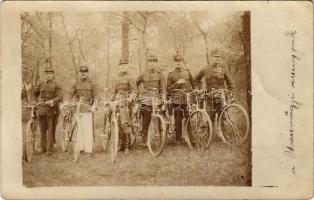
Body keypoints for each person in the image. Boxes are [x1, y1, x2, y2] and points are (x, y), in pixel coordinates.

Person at [194, 48, 235, 119]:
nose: (218, 59)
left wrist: (232, 92)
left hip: (221, 97)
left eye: (219, 57)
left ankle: (223, 130)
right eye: (216, 57)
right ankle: (209, 129)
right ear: (211, 58)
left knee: (223, 119)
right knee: (209, 120)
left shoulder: (223, 68)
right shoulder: (205, 68)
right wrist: (199, 89)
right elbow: (196, 79)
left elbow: (230, 82)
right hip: (209, 98)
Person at [136, 55, 166, 147]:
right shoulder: (143, 74)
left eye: (154, 61)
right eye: (150, 62)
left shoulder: (160, 75)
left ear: (156, 63)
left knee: (159, 117)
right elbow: (135, 84)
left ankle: (159, 137)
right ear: (148, 63)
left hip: (157, 99)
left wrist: (163, 98)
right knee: (146, 119)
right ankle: (145, 140)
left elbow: (163, 88)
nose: (152, 63)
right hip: (146, 99)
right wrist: (138, 93)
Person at [67, 65, 97, 156]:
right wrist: (67, 102)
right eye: (82, 72)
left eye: (85, 72)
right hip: (78, 108)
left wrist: (94, 105)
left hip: (87, 108)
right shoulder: (76, 83)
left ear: (88, 73)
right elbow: (70, 93)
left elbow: (96, 97)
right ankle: (81, 147)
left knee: (87, 129)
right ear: (80, 73)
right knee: (79, 128)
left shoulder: (92, 84)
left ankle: (88, 150)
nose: (83, 74)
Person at [33, 67, 62, 156]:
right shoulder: (41, 84)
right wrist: (34, 101)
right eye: (47, 73)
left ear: (53, 75)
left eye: (50, 73)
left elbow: (60, 97)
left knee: (50, 130)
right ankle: (43, 148)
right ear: (45, 75)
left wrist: (52, 101)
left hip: (52, 110)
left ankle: (49, 149)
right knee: (42, 130)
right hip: (42, 109)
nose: (48, 75)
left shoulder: (57, 85)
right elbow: (35, 93)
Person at [167, 54, 195, 145]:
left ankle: (191, 139)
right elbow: (168, 89)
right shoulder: (171, 74)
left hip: (187, 99)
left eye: (180, 61)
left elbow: (193, 85)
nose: (178, 63)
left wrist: (193, 96)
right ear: (174, 63)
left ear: (182, 62)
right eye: (176, 61)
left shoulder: (187, 72)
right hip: (177, 100)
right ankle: (178, 139)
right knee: (178, 120)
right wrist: (177, 84)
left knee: (189, 119)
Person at [111, 59, 137, 154]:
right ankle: (120, 144)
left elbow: (134, 90)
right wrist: (111, 100)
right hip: (117, 101)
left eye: (125, 65)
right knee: (117, 122)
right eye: (121, 65)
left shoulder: (130, 77)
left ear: (127, 66)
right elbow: (113, 91)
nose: (123, 67)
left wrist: (131, 97)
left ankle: (127, 146)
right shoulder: (116, 78)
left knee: (124, 123)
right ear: (119, 67)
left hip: (126, 101)